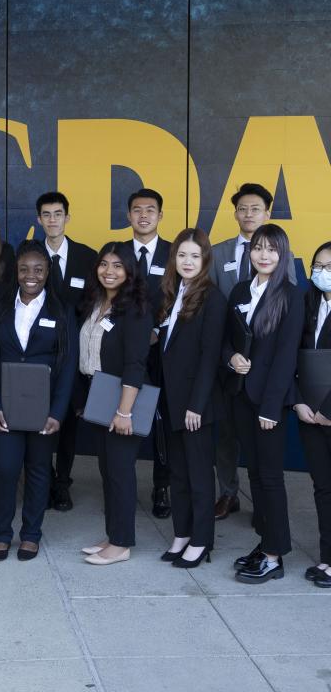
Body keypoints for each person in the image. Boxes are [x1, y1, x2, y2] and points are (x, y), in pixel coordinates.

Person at [0, 240, 78, 561]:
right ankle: (3, 534)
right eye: (24, 269)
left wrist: (57, 413)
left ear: (48, 271)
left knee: (38, 471)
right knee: (6, 470)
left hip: (43, 409)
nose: (31, 275)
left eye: (38, 269)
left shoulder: (61, 311)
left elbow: (67, 368)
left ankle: (31, 534)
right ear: (16, 271)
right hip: (5, 407)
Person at [210, 183, 297, 521]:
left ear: (267, 213)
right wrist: (227, 355)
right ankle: (228, 493)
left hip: (264, 366)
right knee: (227, 433)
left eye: (255, 209)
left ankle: (263, 500)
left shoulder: (278, 253)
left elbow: (285, 311)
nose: (248, 214)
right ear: (235, 213)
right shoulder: (219, 253)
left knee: (262, 443)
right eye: (243, 209)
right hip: (229, 361)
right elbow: (214, 306)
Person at [224, 224, 304, 583]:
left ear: (282, 254)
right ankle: (266, 541)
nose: (264, 255)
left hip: (268, 404)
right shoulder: (241, 289)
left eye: (272, 249)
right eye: (258, 248)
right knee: (254, 474)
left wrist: (271, 408)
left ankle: (275, 555)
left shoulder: (291, 295)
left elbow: (287, 357)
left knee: (270, 478)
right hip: (241, 396)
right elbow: (226, 339)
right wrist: (231, 359)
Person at [76, 243, 152, 565]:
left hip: (122, 398)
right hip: (99, 393)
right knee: (108, 469)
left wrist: (124, 412)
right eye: (104, 264)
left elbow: (135, 363)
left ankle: (121, 544)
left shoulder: (135, 309)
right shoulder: (95, 303)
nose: (109, 271)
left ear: (130, 272)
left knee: (120, 472)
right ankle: (112, 536)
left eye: (118, 266)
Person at [157, 229, 227, 568]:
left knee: (199, 475)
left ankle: (201, 541)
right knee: (178, 474)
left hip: (194, 405)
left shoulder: (212, 298)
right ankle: (182, 534)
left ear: (205, 261)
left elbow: (210, 355)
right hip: (171, 400)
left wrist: (196, 406)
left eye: (194, 257)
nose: (187, 262)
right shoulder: (172, 293)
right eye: (182, 255)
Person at [35, 191, 95, 512]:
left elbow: (95, 305)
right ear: (39, 219)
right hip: (39, 354)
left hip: (73, 354)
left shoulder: (87, 257)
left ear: (67, 218)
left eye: (58, 214)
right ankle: (42, 481)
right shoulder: (28, 255)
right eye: (46, 214)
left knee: (69, 421)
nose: (53, 220)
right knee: (40, 420)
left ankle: (63, 484)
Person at [125, 188, 172, 520]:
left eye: (150, 210)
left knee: (163, 425)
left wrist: (159, 332)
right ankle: (122, 489)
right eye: (137, 210)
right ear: (128, 216)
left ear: (159, 216)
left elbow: (182, 301)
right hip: (126, 355)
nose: (143, 215)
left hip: (163, 353)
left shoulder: (174, 254)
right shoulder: (116, 254)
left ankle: (161, 487)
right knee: (124, 418)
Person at [293, 241, 331, 589]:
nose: (322, 272)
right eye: (318, 266)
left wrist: (327, 410)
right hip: (308, 410)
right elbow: (292, 355)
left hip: (328, 411)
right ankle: (328, 557)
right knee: (323, 487)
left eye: (329, 266)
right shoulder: (307, 302)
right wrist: (300, 402)